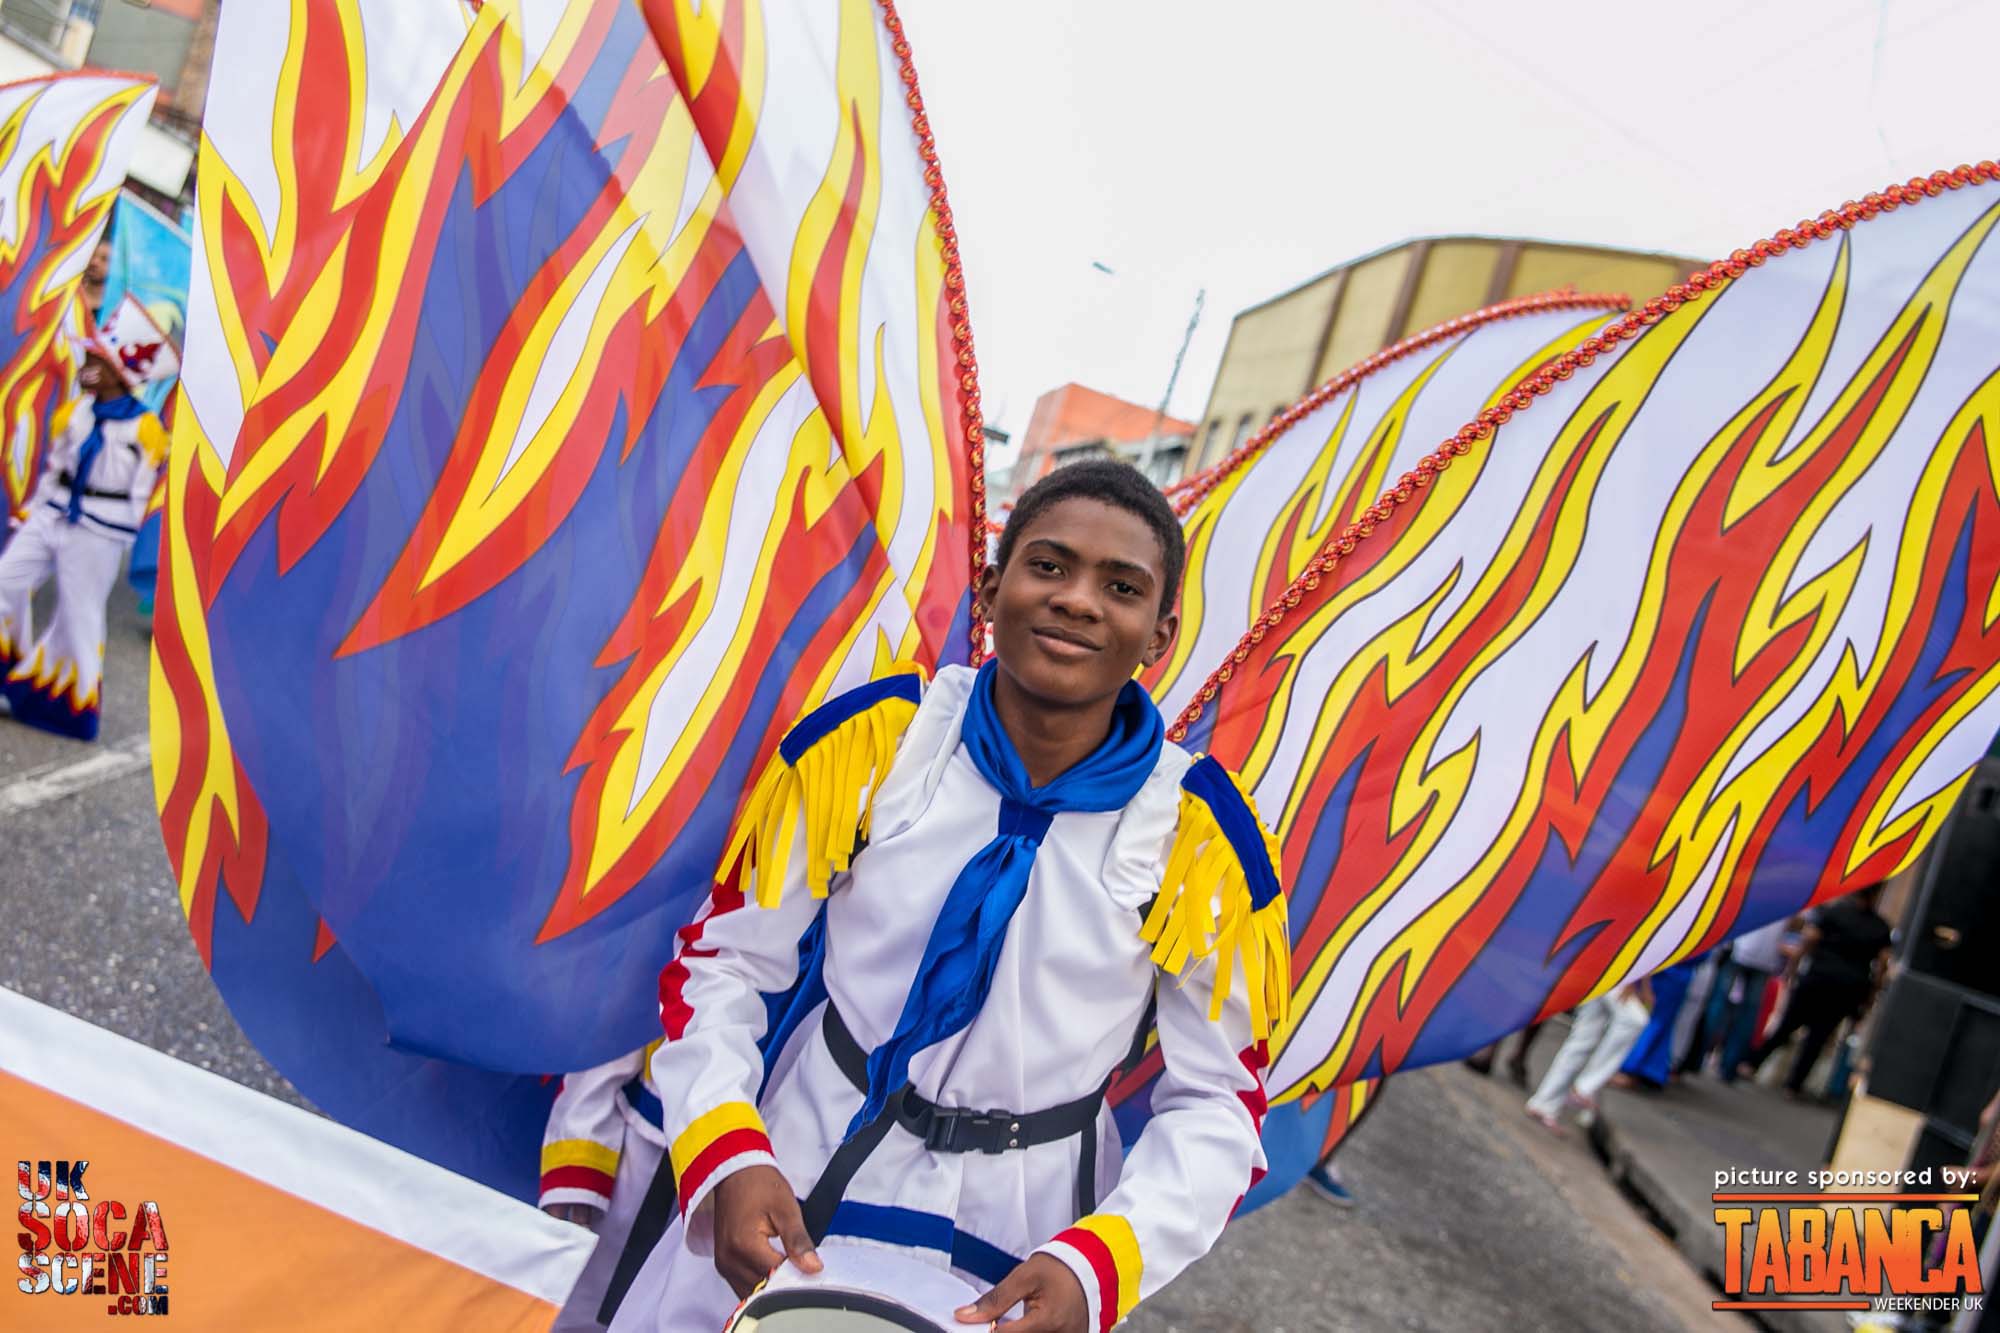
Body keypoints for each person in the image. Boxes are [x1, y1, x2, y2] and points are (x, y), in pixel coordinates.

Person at [607, 460, 1285, 1333]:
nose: (1078, 600)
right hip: (796, 1161)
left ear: (1161, 633)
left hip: (1025, 1233)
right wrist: (728, 1150)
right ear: (994, 588)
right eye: (1049, 565)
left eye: (1121, 587)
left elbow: (1218, 1104)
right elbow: (723, 961)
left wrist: (1100, 1262)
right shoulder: (876, 743)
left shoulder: (1200, 842)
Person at [0, 299, 173, 739]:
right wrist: (33, 511)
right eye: (90, 358)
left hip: (99, 531)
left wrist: (123, 536)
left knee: (79, 614)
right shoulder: (74, 413)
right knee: (6, 580)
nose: (87, 366)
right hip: (52, 515)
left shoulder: (145, 429)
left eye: (98, 361)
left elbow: (142, 492)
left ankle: (63, 708)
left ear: (120, 373)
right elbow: (55, 467)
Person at [540, 1045, 669, 1332]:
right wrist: (581, 1134)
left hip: (754, 1184)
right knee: (570, 1312)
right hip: (644, 1151)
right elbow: (615, 1025)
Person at [1742, 885, 1893, 1096]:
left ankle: (1751, 1064)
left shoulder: (1834, 911)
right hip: (1848, 987)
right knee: (1818, 1037)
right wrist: (1870, 995)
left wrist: (1795, 965)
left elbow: (1811, 938)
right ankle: (1793, 1085)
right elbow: (1882, 965)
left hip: (1818, 976)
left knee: (1788, 1024)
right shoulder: (1880, 927)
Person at [1524, 979, 1652, 1133]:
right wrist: (1633, 981)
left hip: (1600, 974)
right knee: (1634, 1021)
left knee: (1582, 1041)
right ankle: (1584, 1087)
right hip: (1615, 975)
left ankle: (1544, 1103)